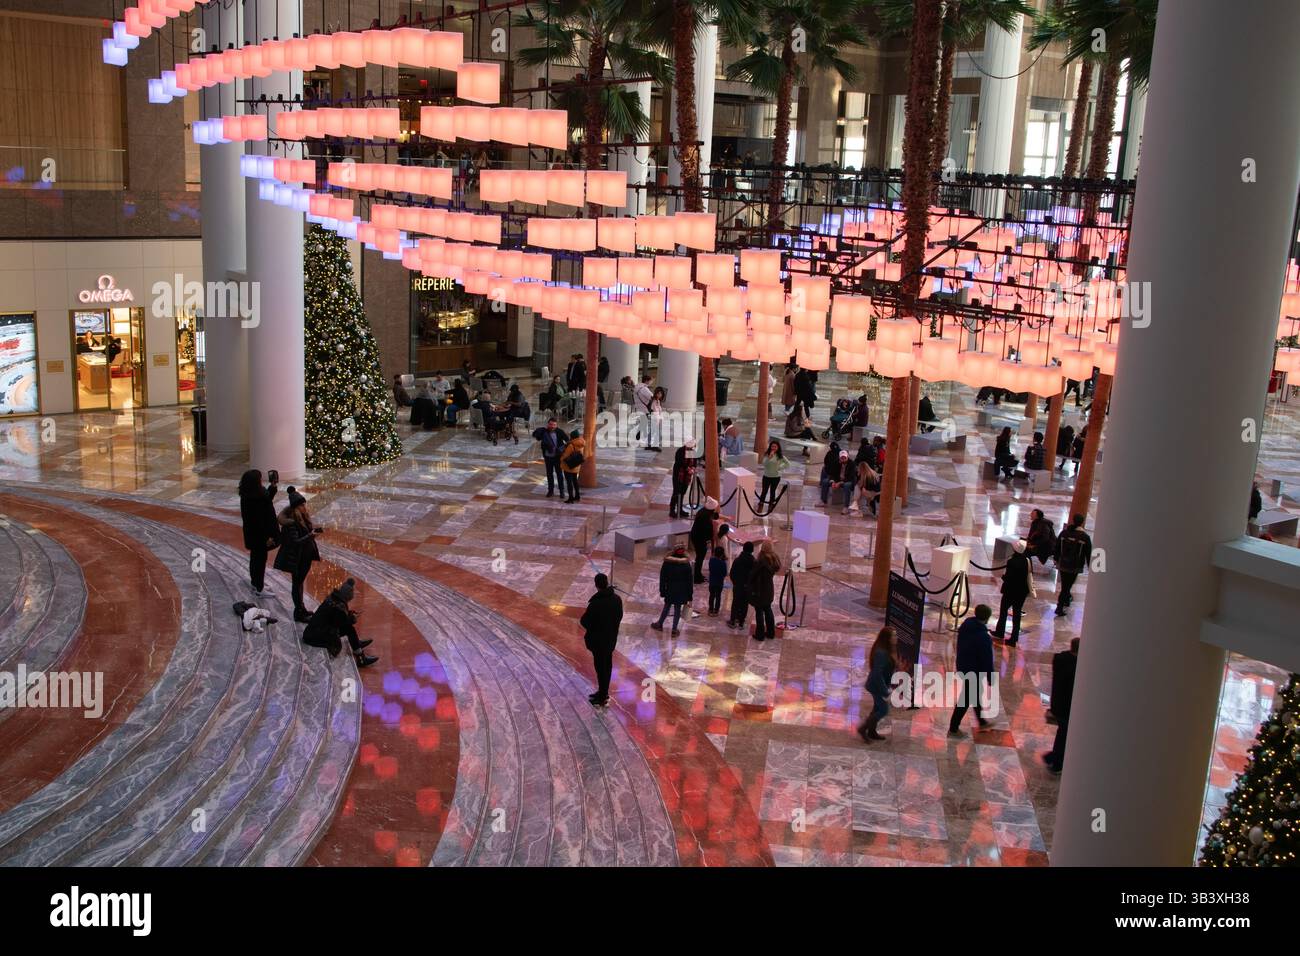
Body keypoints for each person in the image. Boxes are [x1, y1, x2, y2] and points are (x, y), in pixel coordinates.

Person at [301, 578, 378, 668]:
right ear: (347, 596)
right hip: (316, 636)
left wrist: (348, 614)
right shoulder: (339, 607)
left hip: (313, 631)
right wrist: (352, 618)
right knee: (349, 628)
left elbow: (334, 618)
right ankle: (360, 657)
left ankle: (356, 644)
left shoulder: (333, 599)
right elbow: (340, 623)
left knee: (349, 628)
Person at [274, 487, 323, 623]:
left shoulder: (302, 518)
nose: (304, 507)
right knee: (297, 584)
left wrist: (311, 534)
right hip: (296, 558)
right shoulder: (291, 523)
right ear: (296, 507)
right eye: (302, 505)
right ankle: (299, 612)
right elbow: (295, 542)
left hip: (304, 556)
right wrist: (310, 536)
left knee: (299, 583)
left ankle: (301, 609)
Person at [948, 605, 994, 736]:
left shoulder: (966, 625)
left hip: (963, 666)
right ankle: (953, 728)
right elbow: (987, 660)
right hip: (974, 671)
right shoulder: (983, 637)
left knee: (975, 693)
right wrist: (991, 677)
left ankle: (982, 722)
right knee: (966, 698)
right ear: (987, 618)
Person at [580, 573, 623, 707]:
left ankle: (603, 695)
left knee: (601, 668)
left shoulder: (596, 604)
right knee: (607, 666)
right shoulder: (617, 599)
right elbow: (619, 616)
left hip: (598, 641)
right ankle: (602, 692)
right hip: (610, 639)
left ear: (596, 585)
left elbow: (585, 621)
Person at [238, 469, 279, 597]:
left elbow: (266, 499)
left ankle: (255, 583)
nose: (262, 480)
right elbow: (259, 521)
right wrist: (266, 538)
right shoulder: (256, 498)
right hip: (260, 536)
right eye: (260, 479)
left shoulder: (249, 494)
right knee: (260, 561)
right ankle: (259, 588)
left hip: (253, 535)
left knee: (255, 559)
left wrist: (272, 487)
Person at [1042, 638, 1079, 774]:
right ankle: (1055, 760)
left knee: (1062, 732)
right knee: (1064, 733)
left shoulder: (1060, 659)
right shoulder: (1074, 668)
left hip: (1057, 704)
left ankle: (1053, 758)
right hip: (1066, 707)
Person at [857, 627, 898, 742]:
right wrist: (885, 690)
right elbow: (876, 674)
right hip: (877, 686)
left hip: (880, 684)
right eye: (893, 636)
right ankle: (863, 728)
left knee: (877, 708)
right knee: (883, 710)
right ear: (887, 638)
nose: (896, 638)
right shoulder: (881, 653)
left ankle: (871, 731)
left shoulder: (886, 649)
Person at [994, 539, 1034, 646]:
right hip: (1021, 592)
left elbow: (1009, 577)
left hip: (1010, 591)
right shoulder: (1027, 560)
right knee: (1017, 614)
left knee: (1003, 611)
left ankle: (1000, 632)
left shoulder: (1012, 561)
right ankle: (1014, 637)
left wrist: (1003, 577)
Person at [1054, 513, 1092, 615]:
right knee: (1067, 586)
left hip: (1063, 564)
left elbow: (1057, 546)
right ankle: (1060, 606)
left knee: (1065, 585)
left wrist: (1056, 558)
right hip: (1075, 566)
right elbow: (1088, 553)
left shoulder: (1064, 533)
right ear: (1082, 522)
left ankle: (1066, 600)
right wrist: (1090, 566)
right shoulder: (1085, 537)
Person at [651, 545, 694, 636]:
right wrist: (690, 595)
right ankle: (674, 630)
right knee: (677, 609)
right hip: (682, 591)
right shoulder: (686, 564)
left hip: (670, 589)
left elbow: (662, 578)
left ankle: (659, 624)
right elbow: (690, 581)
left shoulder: (667, 563)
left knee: (667, 607)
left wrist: (662, 591)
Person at [749, 541, 781, 641]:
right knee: (768, 610)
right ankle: (771, 633)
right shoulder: (774, 559)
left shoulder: (761, 561)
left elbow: (752, 576)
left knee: (759, 611)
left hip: (760, 590)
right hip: (769, 589)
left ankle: (760, 634)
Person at [532, 417, 568, 498]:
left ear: (556, 425)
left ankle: (561, 491)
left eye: (554, 425)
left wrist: (561, 449)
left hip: (557, 457)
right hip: (548, 457)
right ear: (548, 424)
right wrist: (539, 431)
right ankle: (550, 490)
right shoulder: (544, 431)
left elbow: (567, 441)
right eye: (551, 424)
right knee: (549, 474)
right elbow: (536, 436)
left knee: (559, 474)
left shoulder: (560, 432)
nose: (552, 426)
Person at [727, 541, 756, 630]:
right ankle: (741, 622)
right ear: (752, 550)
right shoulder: (754, 562)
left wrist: (736, 583)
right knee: (744, 604)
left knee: (735, 602)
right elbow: (754, 575)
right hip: (747, 587)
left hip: (738, 585)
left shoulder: (737, 560)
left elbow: (732, 573)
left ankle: (732, 621)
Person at [690, 496, 718, 583]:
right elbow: (708, 530)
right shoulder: (705, 517)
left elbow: (714, 515)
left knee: (700, 557)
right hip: (699, 539)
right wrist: (712, 536)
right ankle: (697, 577)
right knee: (700, 557)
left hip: (697, 537)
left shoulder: (703, 511)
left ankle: (697, 574)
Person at [668, 440, 697, 518]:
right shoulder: (680, 451)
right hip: (679, 475)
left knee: (683, 492)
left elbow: (694, 462)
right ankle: (672, 510)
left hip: (687, 476)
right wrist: (688, 469)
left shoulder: (692, 452)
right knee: (677, 492)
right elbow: (679, 462)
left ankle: (680, 509)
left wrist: (693, 468)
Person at [821, 449, 855, 513]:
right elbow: (832, 473)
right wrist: (833, 481)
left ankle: (846, 507)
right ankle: (824, 501)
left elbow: (851, 477)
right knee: (825, 481)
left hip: (847, 480)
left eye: (845, 458)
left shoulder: (852, 464)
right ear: (839, 458)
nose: (843, 459)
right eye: (842, 458)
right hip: (837, 480)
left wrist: (839, 483)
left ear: (847, 457)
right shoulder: (836, 462)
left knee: (847, 486)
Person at [758, 440, 789, 506]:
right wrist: (769, 458)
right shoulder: (767, 454)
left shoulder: (780, 456)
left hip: (776, 477)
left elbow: (788, 464)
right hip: (766, 476)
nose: (773, 448)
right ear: (770, 447)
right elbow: (764, 464)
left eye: (775, 446)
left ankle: (771, 502)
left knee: (773, 491)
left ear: (778, 447)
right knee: (764, 490)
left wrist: (780, 468)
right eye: (772, 446)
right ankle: (761, 502)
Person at [559, 433, 586, 503]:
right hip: (576, 466)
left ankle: (571, 498)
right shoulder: (581, 444)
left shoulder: (571, 445)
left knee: (569, 482)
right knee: (575, 481)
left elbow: (565, 455)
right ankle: (577, 496)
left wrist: (561, 458)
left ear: (572, 437)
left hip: (568, 467)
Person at [707, 546, 727, 616]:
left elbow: (710, 569)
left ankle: (710, 609)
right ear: (722, 554)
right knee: (718, 596)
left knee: (712, 595)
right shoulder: (723, 563)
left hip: (712, 581)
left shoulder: (711, 560)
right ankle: (716, 610)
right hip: (719, 582)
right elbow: (725, 573)